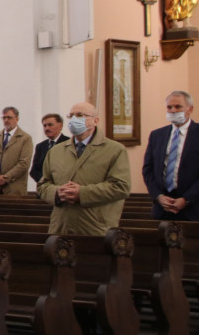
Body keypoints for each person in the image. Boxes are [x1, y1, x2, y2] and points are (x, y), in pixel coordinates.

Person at [37, 102, 130, 235]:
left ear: (95, 120)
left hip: (95, 227)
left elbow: (121, 187)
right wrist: (57, 192)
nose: (74, 119)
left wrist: (82, 193)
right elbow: (43, 185)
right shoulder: (56, 151)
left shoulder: (115, 150)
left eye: (80, 115)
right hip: (61, 226)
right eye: (71, 116)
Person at [142, 91, 199, 221]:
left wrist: (187, 199)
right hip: (163, 209)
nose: (173, 111)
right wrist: (158, 196)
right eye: (169, 107)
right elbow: (148, 170)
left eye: (178, 107)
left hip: (194, 209)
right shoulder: (157, 135)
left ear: (190, 109)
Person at [0, 106, 33, 195]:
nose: (6, 120)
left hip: (14, 188)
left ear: (17, 119)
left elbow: (24, 163)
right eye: (4, 118)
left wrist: (6, 178)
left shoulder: (25, 138)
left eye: (9, 117)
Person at [30, 113, 69, 184]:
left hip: (63, 187)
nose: (47, 128)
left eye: (50, 125)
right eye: (44, 126)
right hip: (44, 188)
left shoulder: (69, 143)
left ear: (60, 126)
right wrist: (44, 182)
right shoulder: (40, 146)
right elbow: (34, 171)